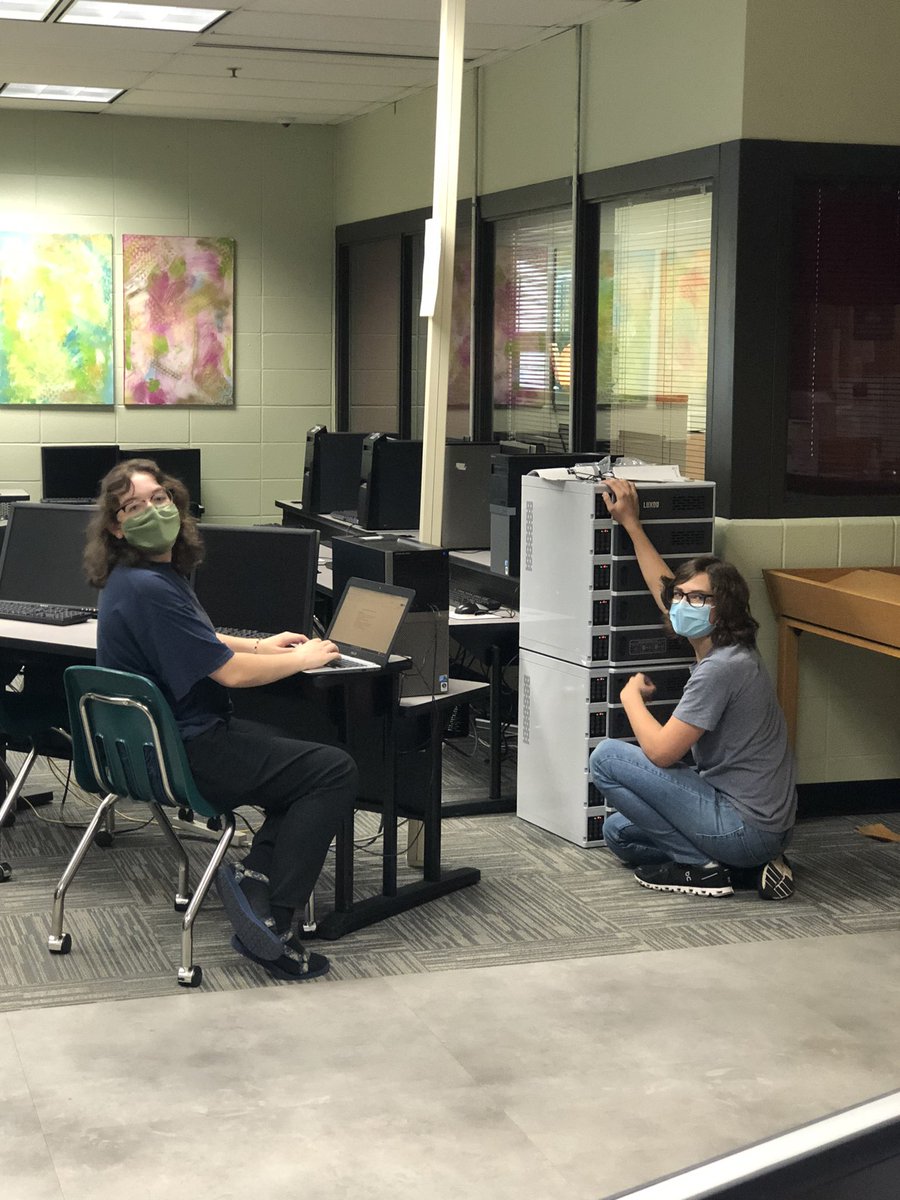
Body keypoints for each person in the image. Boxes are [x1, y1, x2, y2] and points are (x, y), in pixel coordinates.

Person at [84, 458, 358, 979]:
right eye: (134, 505)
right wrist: (299, 660)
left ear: (176, 502)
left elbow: (200, 639)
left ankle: (255, 879)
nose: (152, 510)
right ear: (117, 525)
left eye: (158, 498)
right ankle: (275, 925)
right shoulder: (150, 587)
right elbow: (229, 675)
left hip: (153, 748)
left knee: (296, 758)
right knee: (332, 770)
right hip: (188, 750)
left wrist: (261, 643)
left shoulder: (140, 577)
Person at [589, 478, 796, 901]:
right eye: (682, 596)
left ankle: (703, 869)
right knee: (618, 832)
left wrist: (629, 698)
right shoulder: (729, 646)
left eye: (698, 599)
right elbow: (662, 587)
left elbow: (664, 753)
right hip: (754, 822)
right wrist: (631, 523)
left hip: (746, 824)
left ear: (725, 609)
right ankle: (749, 870)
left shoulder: (720, 668)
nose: (683, 604)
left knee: (607, 758)